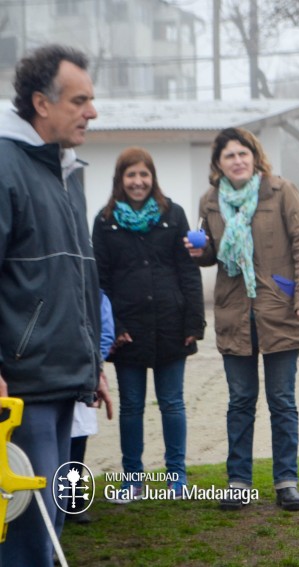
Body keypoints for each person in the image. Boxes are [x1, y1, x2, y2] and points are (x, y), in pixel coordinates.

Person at [0, 44, 112, 567]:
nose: (92, 111)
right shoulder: (5, 167)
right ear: (42, 104)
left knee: (51, 524)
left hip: (65, 379)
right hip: (21, 390)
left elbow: (79, 275)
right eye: (80, 100)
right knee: (27, 530)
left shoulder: (67, 170)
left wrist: (94, 363)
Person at [188, 127, 299, 512]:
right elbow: (211, 252)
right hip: (234, 312)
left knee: (282, 401)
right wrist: (199, 252)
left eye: (243, 153)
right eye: (229, 155)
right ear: (219, 164)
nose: (237, 160)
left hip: (280, 308)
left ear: (255, 156)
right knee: (240, 401)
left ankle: (286, 481)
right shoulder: (210, 201)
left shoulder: (281, 192)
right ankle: (239, 482)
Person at [93, 147, 205, 502]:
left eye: (144, 175)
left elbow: (187, 270)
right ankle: (132, 480)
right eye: (131, 175)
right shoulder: (105, 220)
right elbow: (101, 280)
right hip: (129, 332)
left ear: (152, 178)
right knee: (131, 407)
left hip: (171, 324)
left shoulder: (173, 215)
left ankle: (176, 477)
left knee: (172, 403)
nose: (138, 182)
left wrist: (193, 321)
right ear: (120, 180)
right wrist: (116, 325)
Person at [67, 290, 115, 524]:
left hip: (82, 374)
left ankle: (74, 502)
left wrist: (93, 362)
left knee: (77, 444)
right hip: (49, 375)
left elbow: (105, 331)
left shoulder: (94, 293)